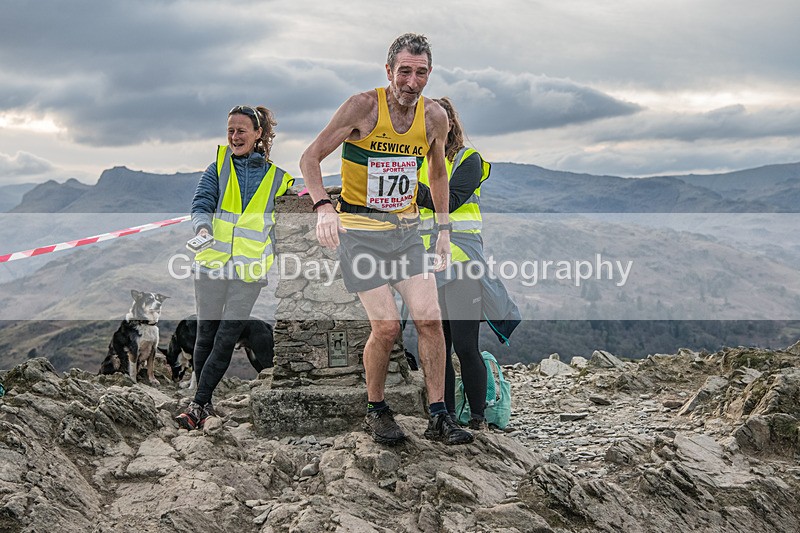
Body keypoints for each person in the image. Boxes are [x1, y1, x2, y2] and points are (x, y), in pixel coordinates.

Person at [299, 33, 473, 445]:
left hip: (407, 233)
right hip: (360, 236)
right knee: (388, 327)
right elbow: (310, 158)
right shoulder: (363, 106)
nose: (412, 82)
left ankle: (438, 415)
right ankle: (376, 409)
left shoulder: (434, 118)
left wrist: (444, 231)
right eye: (405, 72)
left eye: (422, 73)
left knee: (430, 320)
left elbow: (437, 173)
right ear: (389, 70)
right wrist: (324, 206)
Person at [176, 105, 294, 430]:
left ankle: (197, 405)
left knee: (226, 337)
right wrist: (202, 228)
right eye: (230, 130)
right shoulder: (217, 166)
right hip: (212, 263)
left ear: (258, 134)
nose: (234, 136)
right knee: (205, 337)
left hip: (248, 271)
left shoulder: (278, 180)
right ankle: (204, 402)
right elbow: (201, 203)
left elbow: (286, 223)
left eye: (241, 130)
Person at [415, 97, 520, 430]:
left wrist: (404, 189)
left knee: (464, 345)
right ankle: (443, 415)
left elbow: (450, 200)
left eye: (436, 123)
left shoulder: (468, 160)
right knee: (438, 345)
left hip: (462, 266)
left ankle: (478, 419)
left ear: (449, 124)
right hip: (428, 267)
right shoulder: (417, 160)